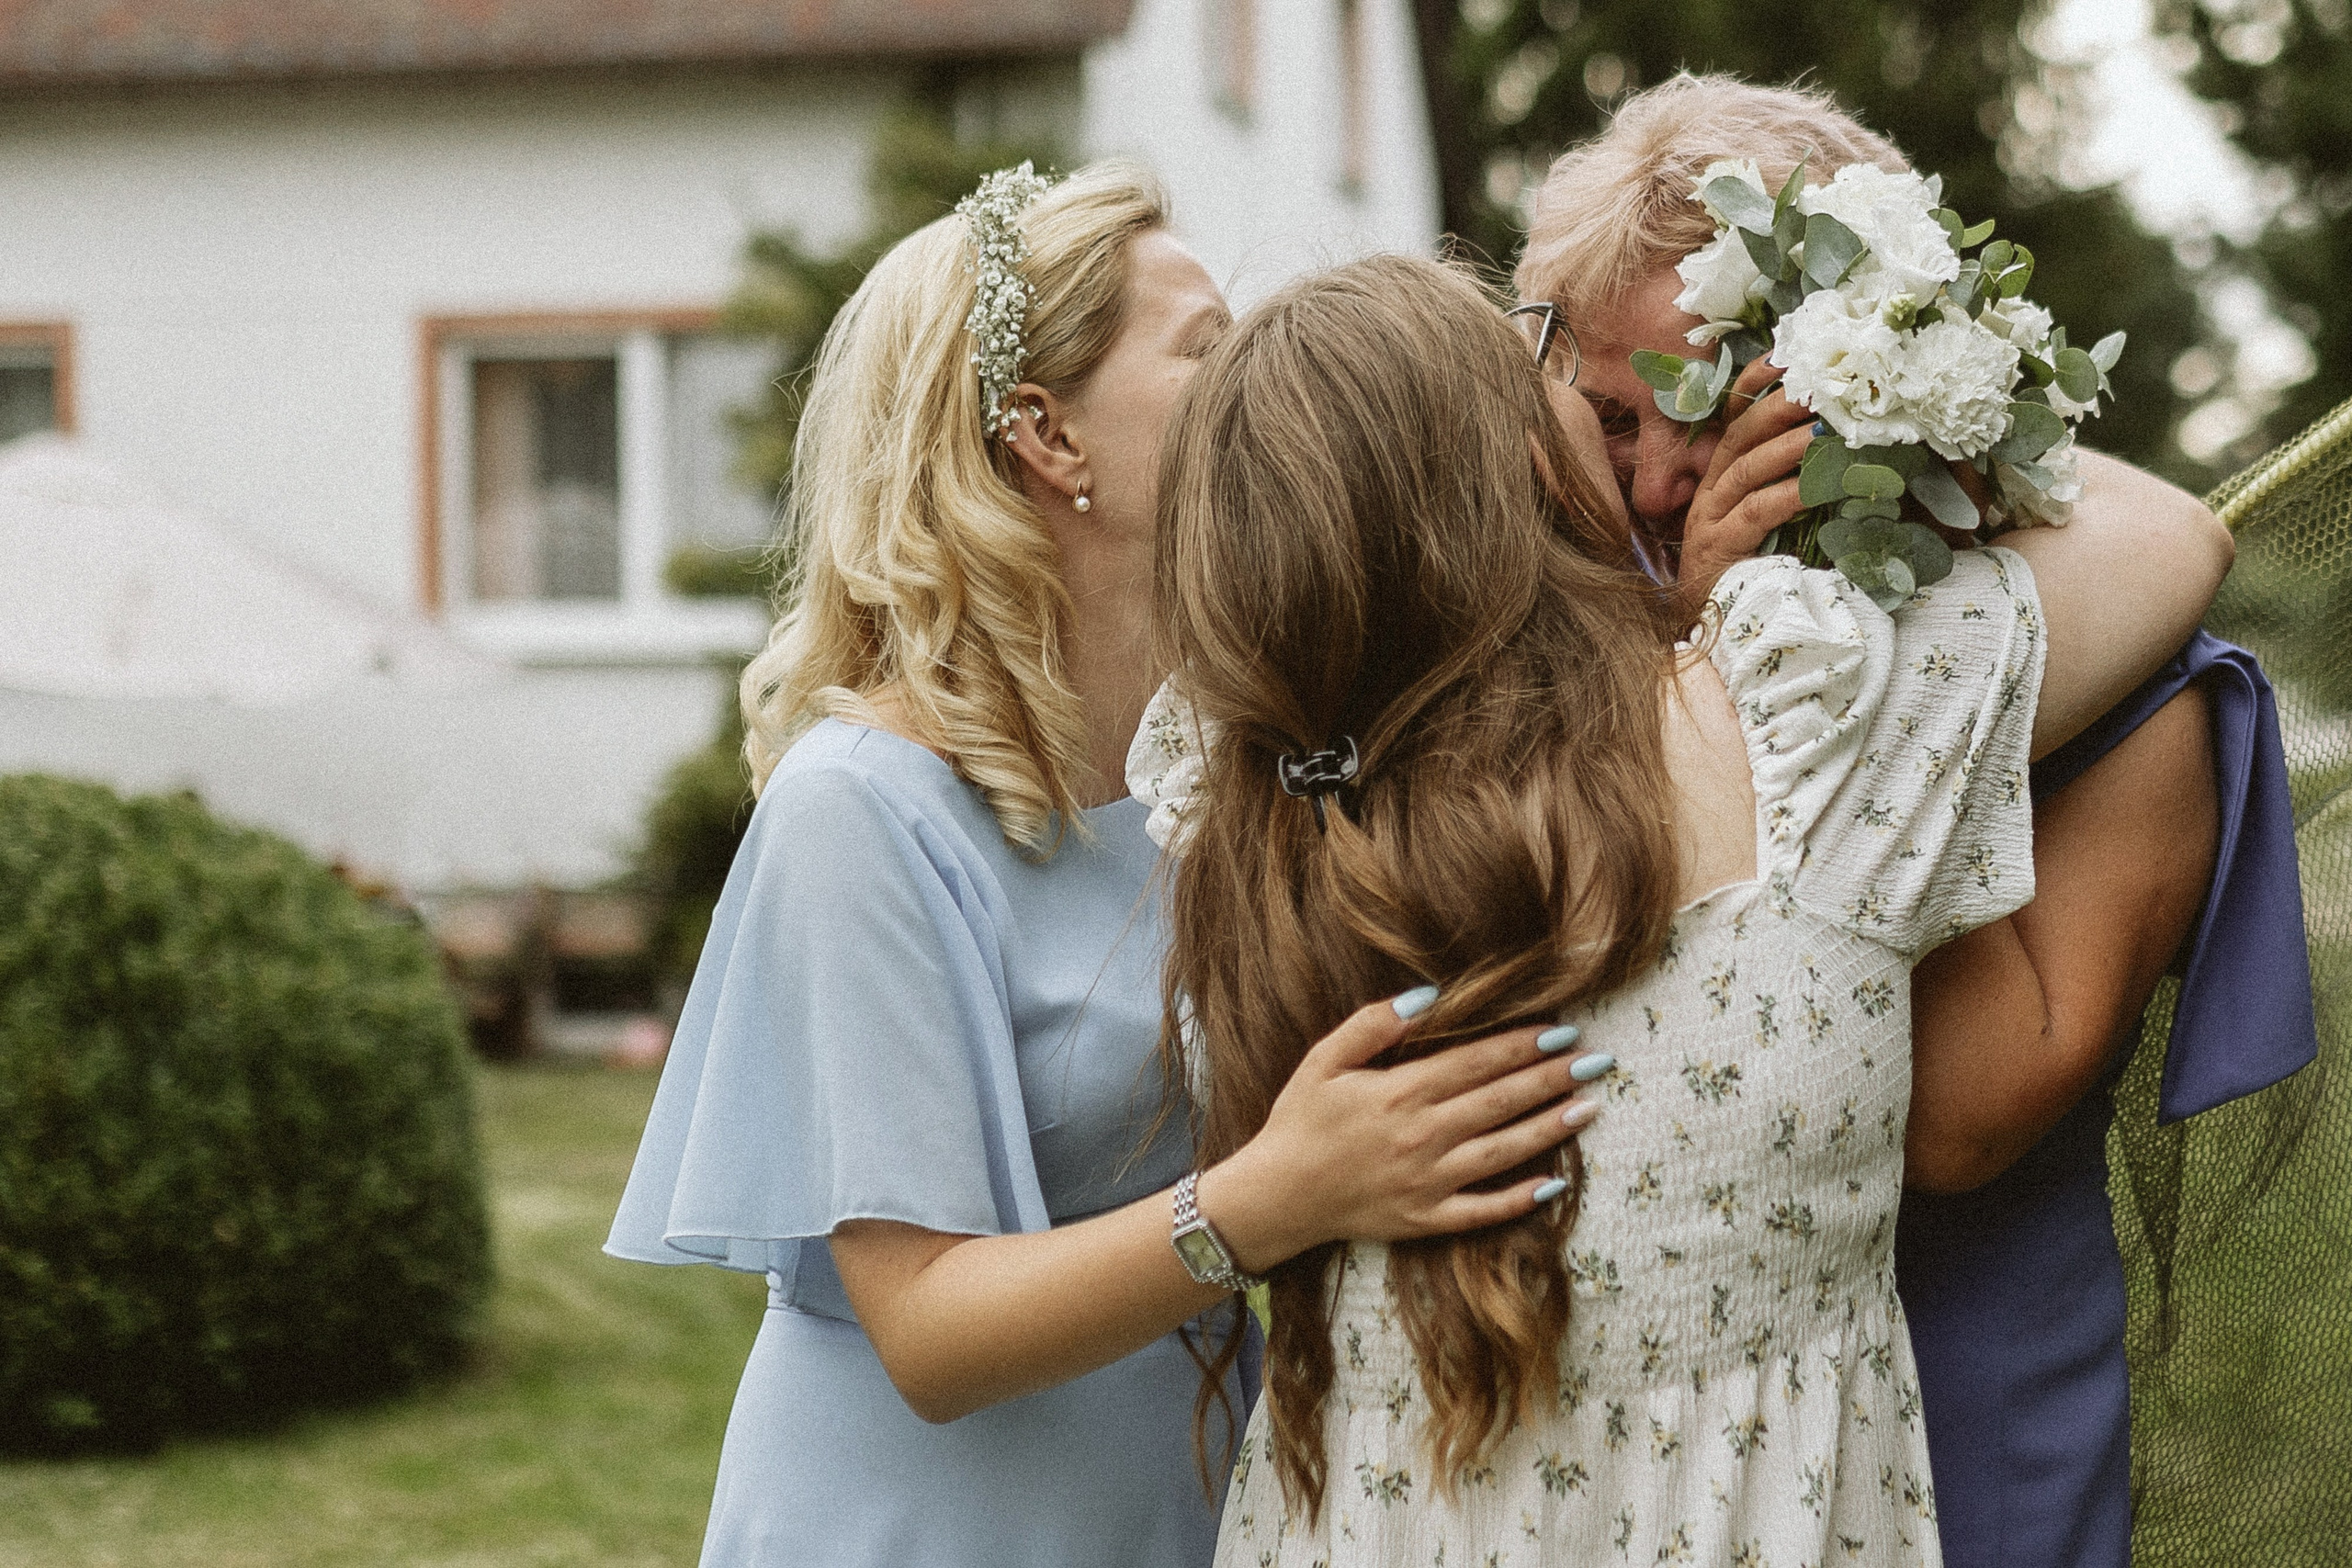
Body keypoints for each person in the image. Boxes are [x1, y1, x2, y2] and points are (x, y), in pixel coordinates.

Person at [1141, 254, 2232, 1565]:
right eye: (1545, 363)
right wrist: (1843, 365)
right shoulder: (1795, 721)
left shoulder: (1250, 817)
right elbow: (2172, 536)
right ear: (1523, 472)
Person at [605, 163, 1613, 1568]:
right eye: (1205, 347)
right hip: (919, 1525)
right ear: (1046, 438)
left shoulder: (1221, 762)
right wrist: (1275, 1199)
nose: (1260, 375)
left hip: (1179, 1496)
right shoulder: (858, 813)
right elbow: (930, 1331)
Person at [1512, 74, 2316, 1568]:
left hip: (1964, 1412)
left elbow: (1946, 1120)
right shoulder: (1545, 642)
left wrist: (1756, 677)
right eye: (1616, 414)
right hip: (1649, 1436)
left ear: (1868, 387)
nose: (1664, 480)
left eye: (1732, 418)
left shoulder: (2159, 714)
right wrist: (1692, 653)